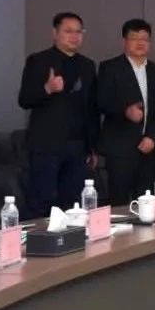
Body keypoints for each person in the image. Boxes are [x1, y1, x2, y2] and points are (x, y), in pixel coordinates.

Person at [17, 12, 99, 218]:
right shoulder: (38, 60)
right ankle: (34, 239)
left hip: (77, 146)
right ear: (55, 33)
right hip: (46, 146)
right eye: (68, 31)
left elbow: (91, 108)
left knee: (73, 205)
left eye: (79, 32)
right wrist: (47, 89)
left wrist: (92, 147)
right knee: (41, 201)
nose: (74, 36)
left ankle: (70, 239)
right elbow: (24, 100)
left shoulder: (87, 65)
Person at [97, 19, 155, 205]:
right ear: (124, 41)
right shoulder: (109, 68)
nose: (140, 42)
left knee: (147, 203)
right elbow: (101, 101)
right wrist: (125, 111)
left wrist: (153, 137)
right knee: (119, 203)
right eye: (134, 38)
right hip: (119, 148)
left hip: (150, 149)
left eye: (144, 39)